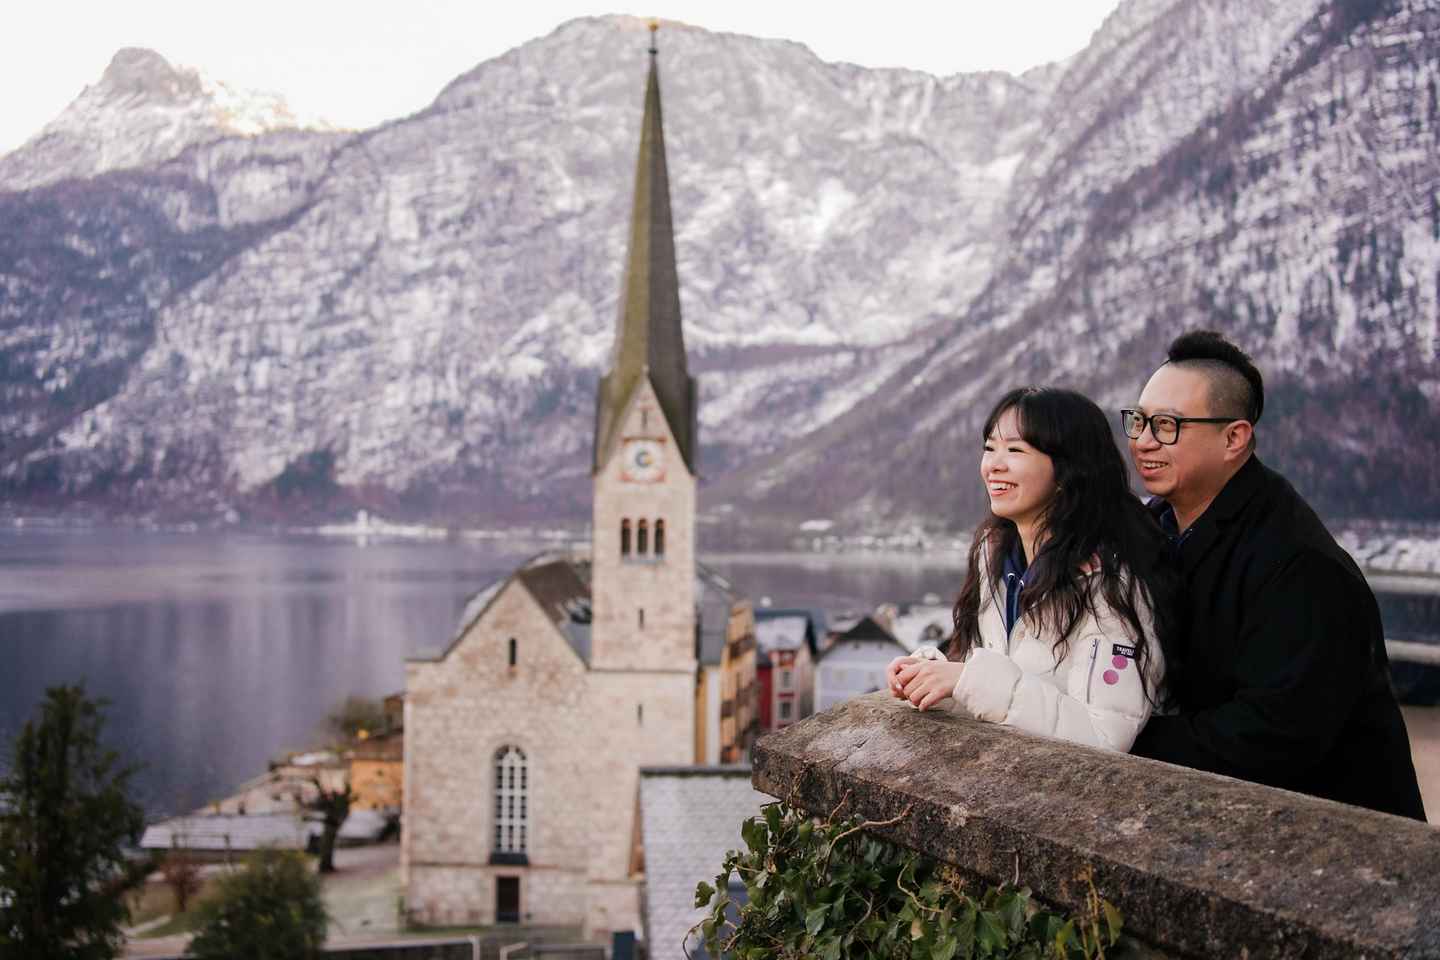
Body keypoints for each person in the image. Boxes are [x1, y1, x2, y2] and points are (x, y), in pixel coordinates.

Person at [1125, 330, 1425, 820]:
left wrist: (1118, 734)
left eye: (1167, 425)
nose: (1142, 441)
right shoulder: (1155, 527)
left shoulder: (1300, 563)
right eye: (1138, 421)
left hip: (1335, 833)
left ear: (1234, 438)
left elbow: (1272, 735)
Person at [887, 386, 1179, 752]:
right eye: (990, 448)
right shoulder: (995, 557)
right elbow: (1003, 701)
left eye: (1015, 450)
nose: (994, 465)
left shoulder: (1109, 582)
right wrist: (936, 678)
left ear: (1068, 470)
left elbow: (1104, 736)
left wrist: (967, 680)